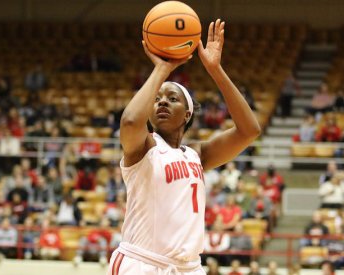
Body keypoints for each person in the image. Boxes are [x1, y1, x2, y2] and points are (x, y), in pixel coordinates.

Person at [108, 19, 261, 275]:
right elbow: (131, 120)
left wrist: (215, 70)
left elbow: (249, 130)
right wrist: (162, 69)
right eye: (157, 99)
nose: (162, 102)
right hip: (143, 263)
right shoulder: (144, 148)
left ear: (188, 113)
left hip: (188, 268)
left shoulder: (197, 155)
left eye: (172, 98)